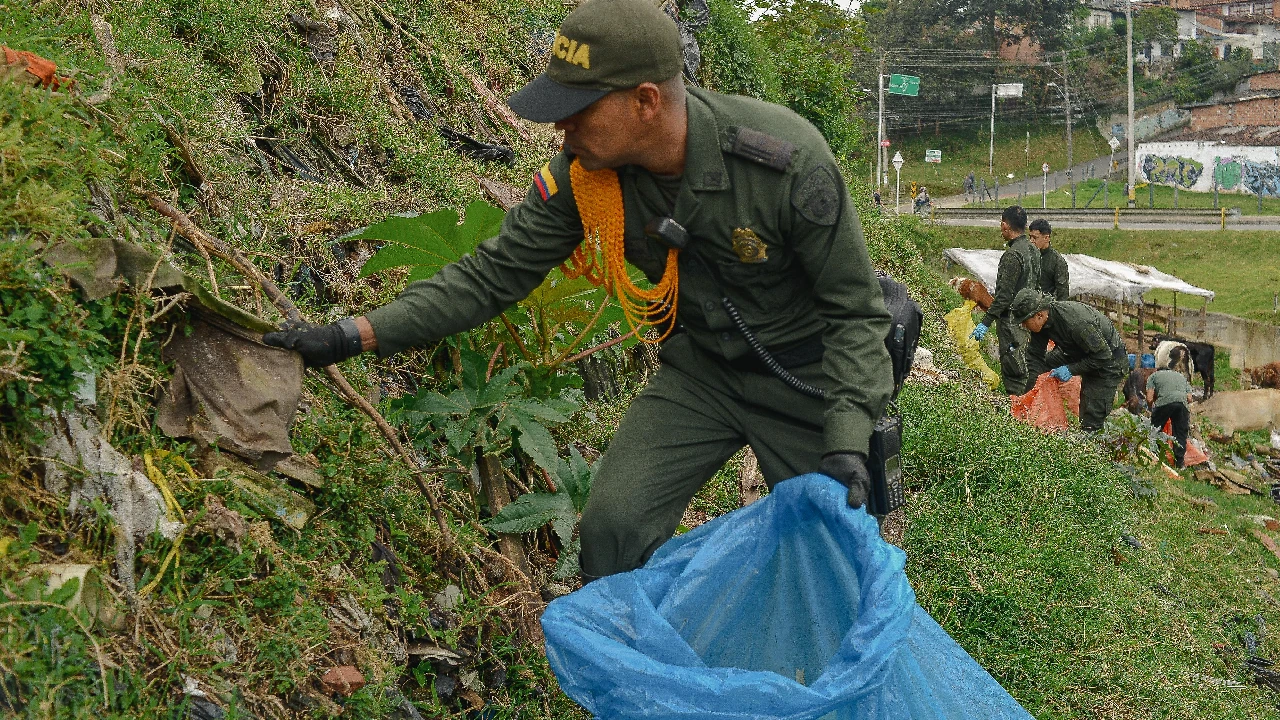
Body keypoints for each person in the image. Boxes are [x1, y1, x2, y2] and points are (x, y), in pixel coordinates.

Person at [262, 0, 893, 581]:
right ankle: (639, 681)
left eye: (577, 111)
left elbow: (855, 312)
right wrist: (350, 335)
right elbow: (490, 275)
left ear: (645, 101)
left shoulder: (785, 163)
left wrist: (844, 441)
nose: (561, 131)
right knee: (612, 529)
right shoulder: (586, 178)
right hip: (702, 374)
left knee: (834, 558)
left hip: (805, 381)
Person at [1012, 289, 1129, 432]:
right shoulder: (1042, 324)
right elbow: (1036, 359)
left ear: (1039, 315)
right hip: (1079, 351)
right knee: (1046, 362)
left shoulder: (1076, 323)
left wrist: (1071, 370)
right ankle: (1033, 412)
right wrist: (1027, 399)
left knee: (1090, 418)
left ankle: (1092, 445)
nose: (1023, 326)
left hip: (1109, 362)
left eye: (1024, 322)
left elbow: (1103, 356)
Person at [970, 206, 1040, 395]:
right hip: (1030, 318)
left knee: (1014, 368)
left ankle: (1016, 412)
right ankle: (1030, 407)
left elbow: (1004, 296)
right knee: (1027, 364)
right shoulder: (1033, 251)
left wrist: (985, 323)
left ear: (1005, 225)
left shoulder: (1012, 256)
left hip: (1012, 321)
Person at [1025, 218, 1069, 382]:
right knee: (1032, 357)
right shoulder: (1028, 257)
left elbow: (1063, 294)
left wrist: (1054, 316)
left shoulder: (1057, 262)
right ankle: (1031, 388)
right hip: (1029, 315)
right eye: (1030, 237)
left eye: (1035, 237)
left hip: (1048, 317)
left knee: (1055, 355)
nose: (1032, 241)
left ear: (1047, 237)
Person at [1146, 350, 1193, 467]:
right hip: (1182, 404)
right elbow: (1190, 398)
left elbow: (1149, 398)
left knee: (1155, 429)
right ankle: (1179, 463)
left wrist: (1151, 409)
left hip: (1164, 403)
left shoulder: (1153, 376)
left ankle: (1154, 455)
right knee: (1180, 433)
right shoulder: (1181, 377)